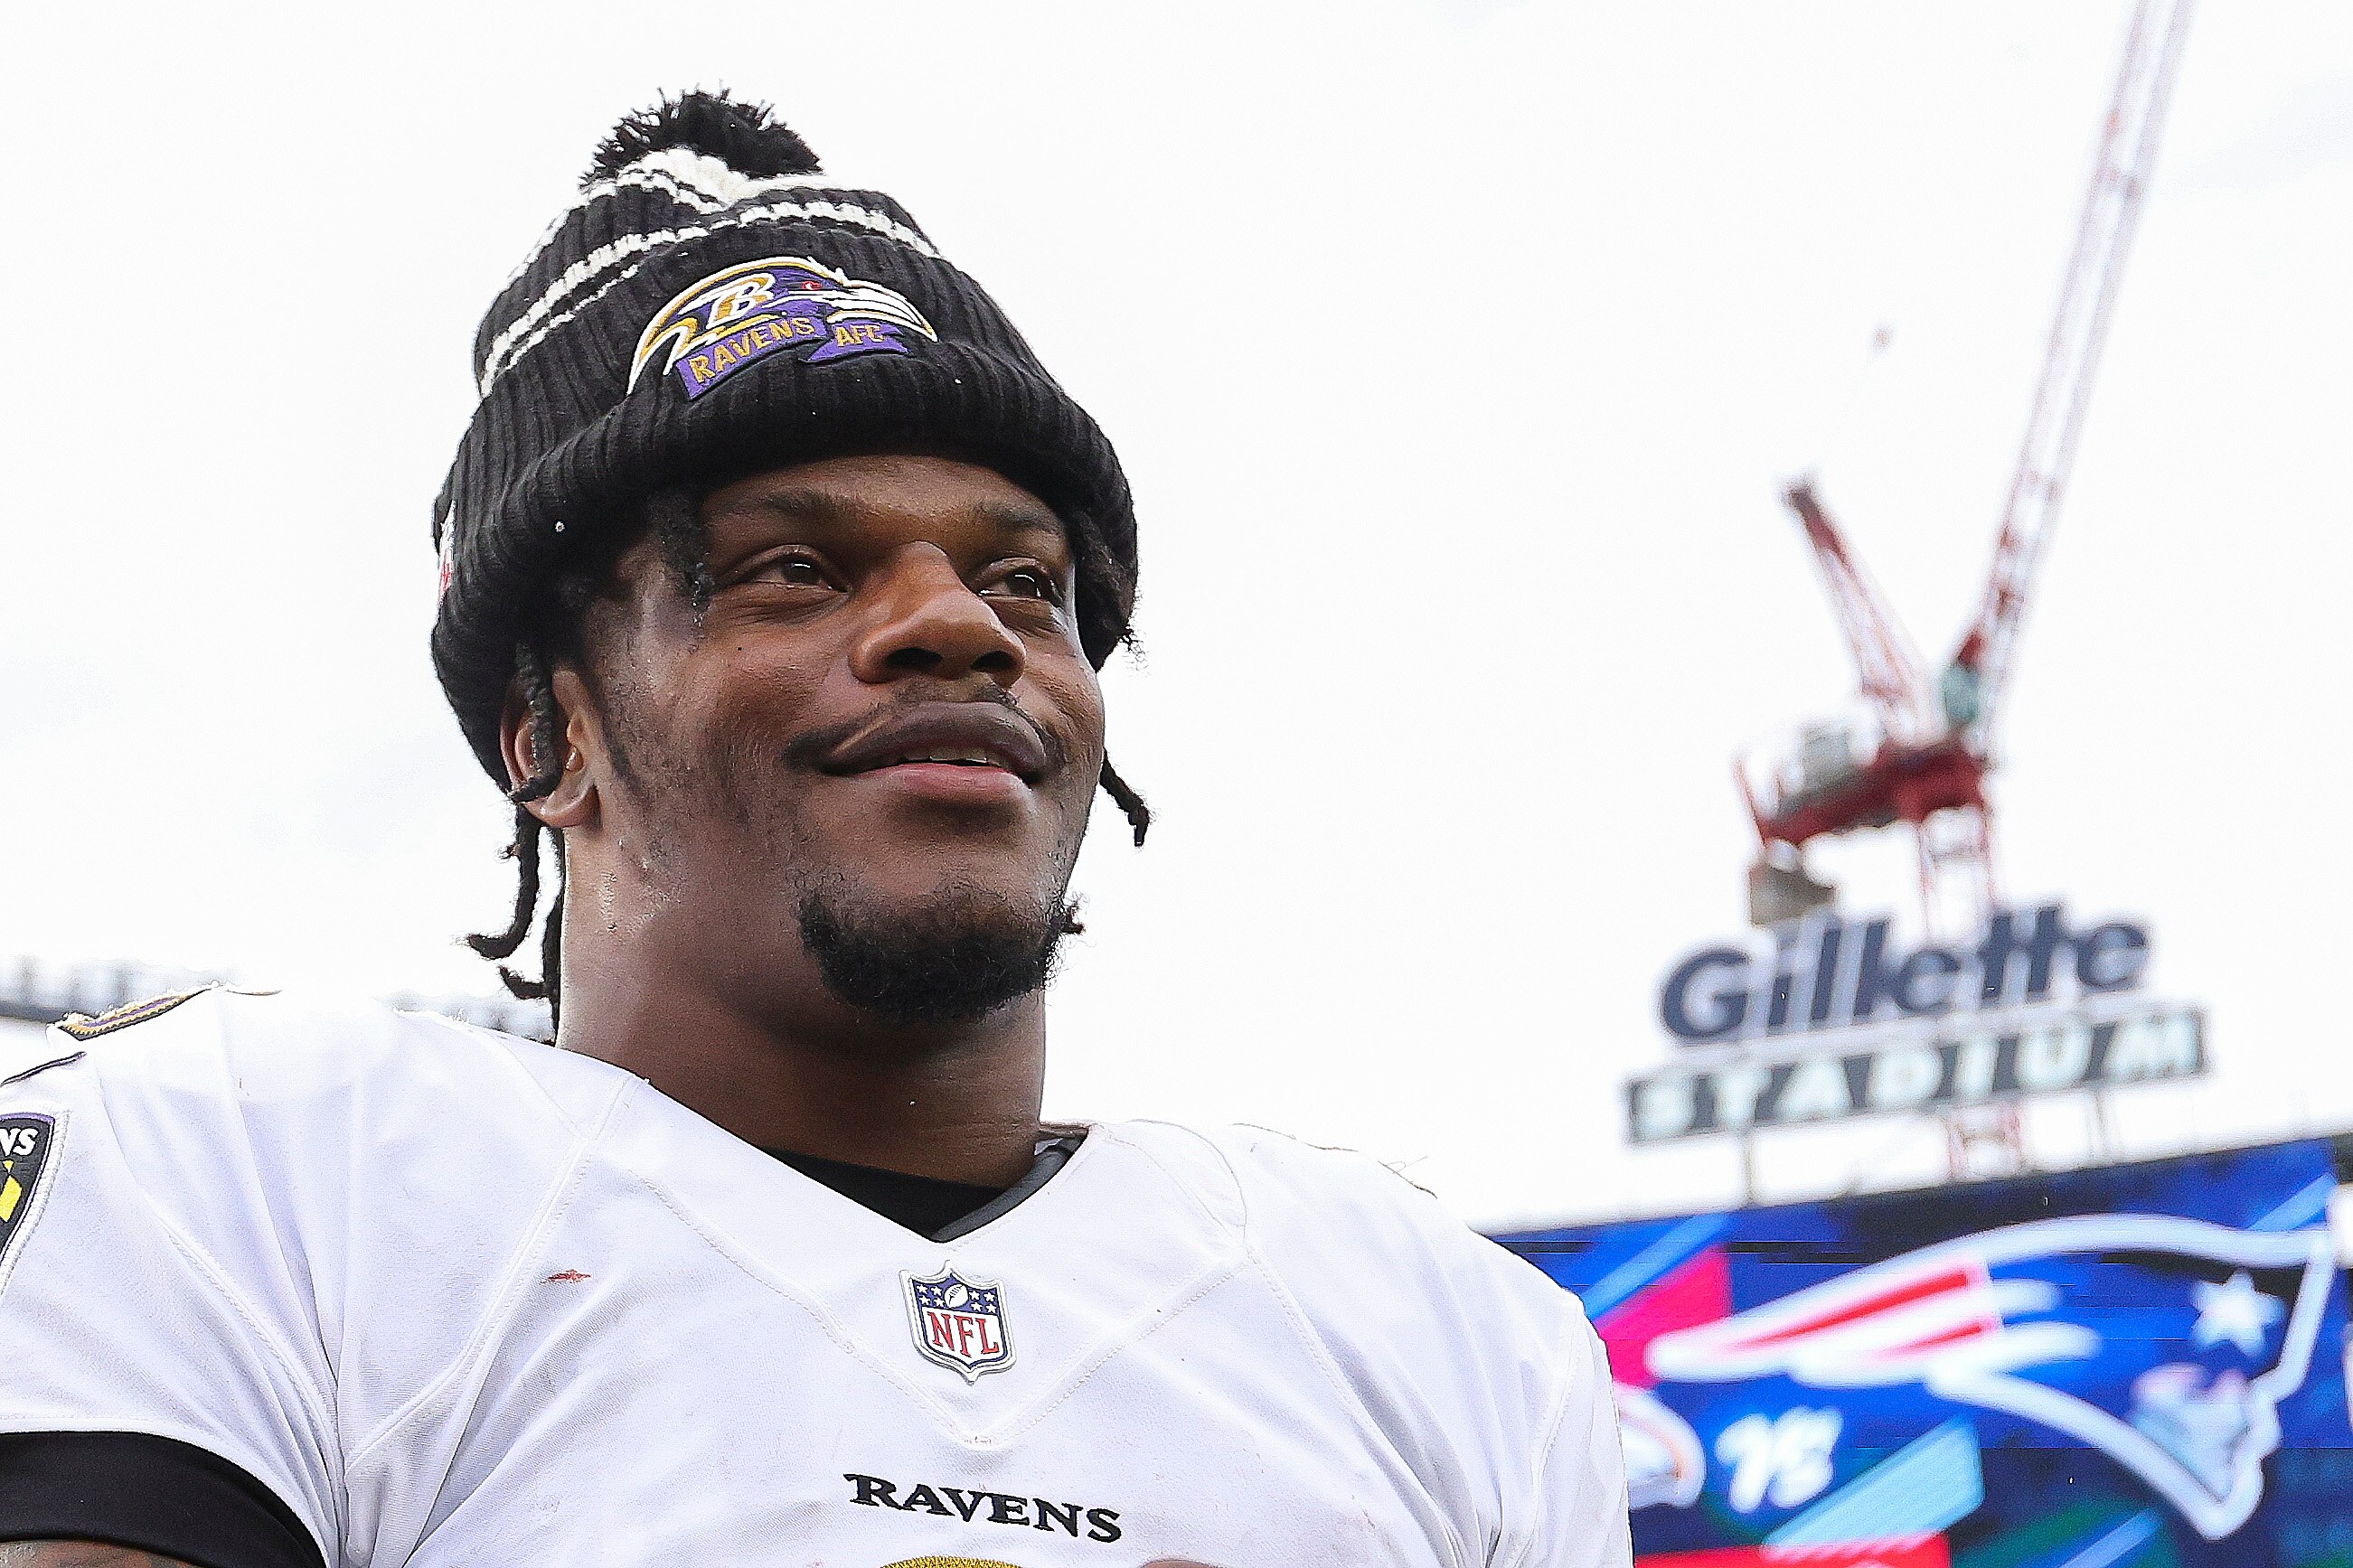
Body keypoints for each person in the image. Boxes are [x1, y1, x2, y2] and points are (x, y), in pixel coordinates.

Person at [0, 92, 1630, 1567]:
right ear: (548, 732)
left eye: (1026, 584)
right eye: (795, 567)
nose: (958, 627)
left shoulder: (1445, 1341)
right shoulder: (262, 1175)